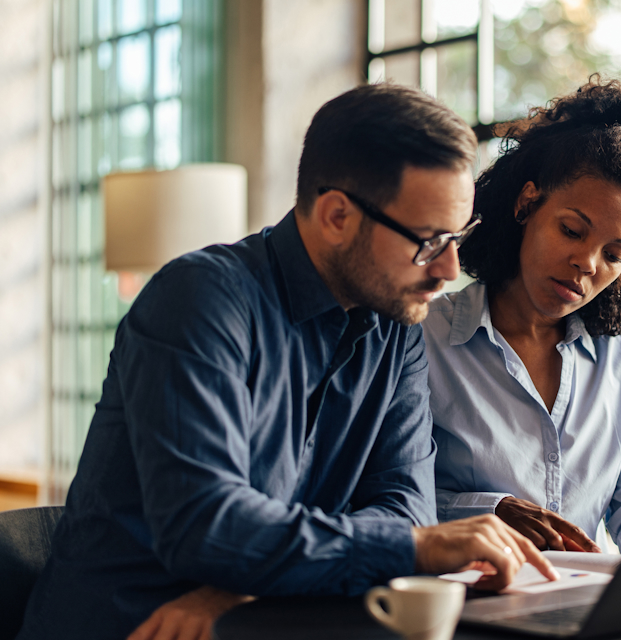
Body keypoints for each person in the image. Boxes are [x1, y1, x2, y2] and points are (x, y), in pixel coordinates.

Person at [16, 83, 557, 640]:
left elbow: (405, 506)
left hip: (266, 616)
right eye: (428, 241)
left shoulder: (397, 323)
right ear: (337, 216)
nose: (448, 269)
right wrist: (399, 549)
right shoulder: (199, 300)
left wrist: (250, 576)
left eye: (457, 237)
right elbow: (208, 528)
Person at [424, 76, 621, 554]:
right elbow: (392, 498)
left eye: (614, 254)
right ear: (528, 203)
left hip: (585, 605)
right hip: (470, 602)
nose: (588, 264)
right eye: (572, 230)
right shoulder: (426, 340)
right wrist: (492, 509)